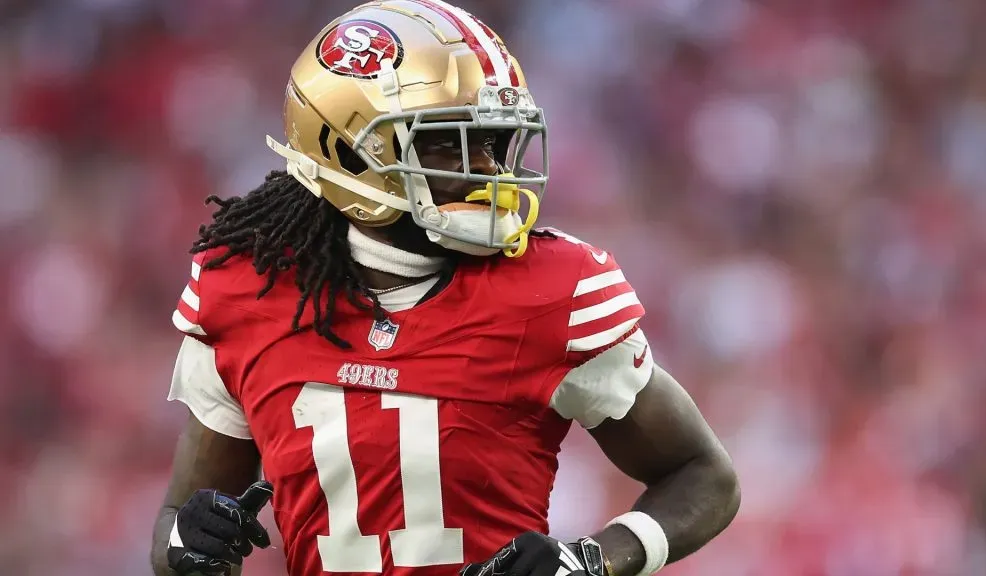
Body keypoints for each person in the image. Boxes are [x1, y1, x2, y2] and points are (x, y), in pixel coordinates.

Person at [149, 2, 740, 576]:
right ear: (351, 154)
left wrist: (592, 560)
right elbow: (179, 528)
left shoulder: (553, 290)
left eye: (491, 141)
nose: (488, 170)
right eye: (446, 143)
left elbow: (702, 474)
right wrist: (190, 544)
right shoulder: (246, 290)